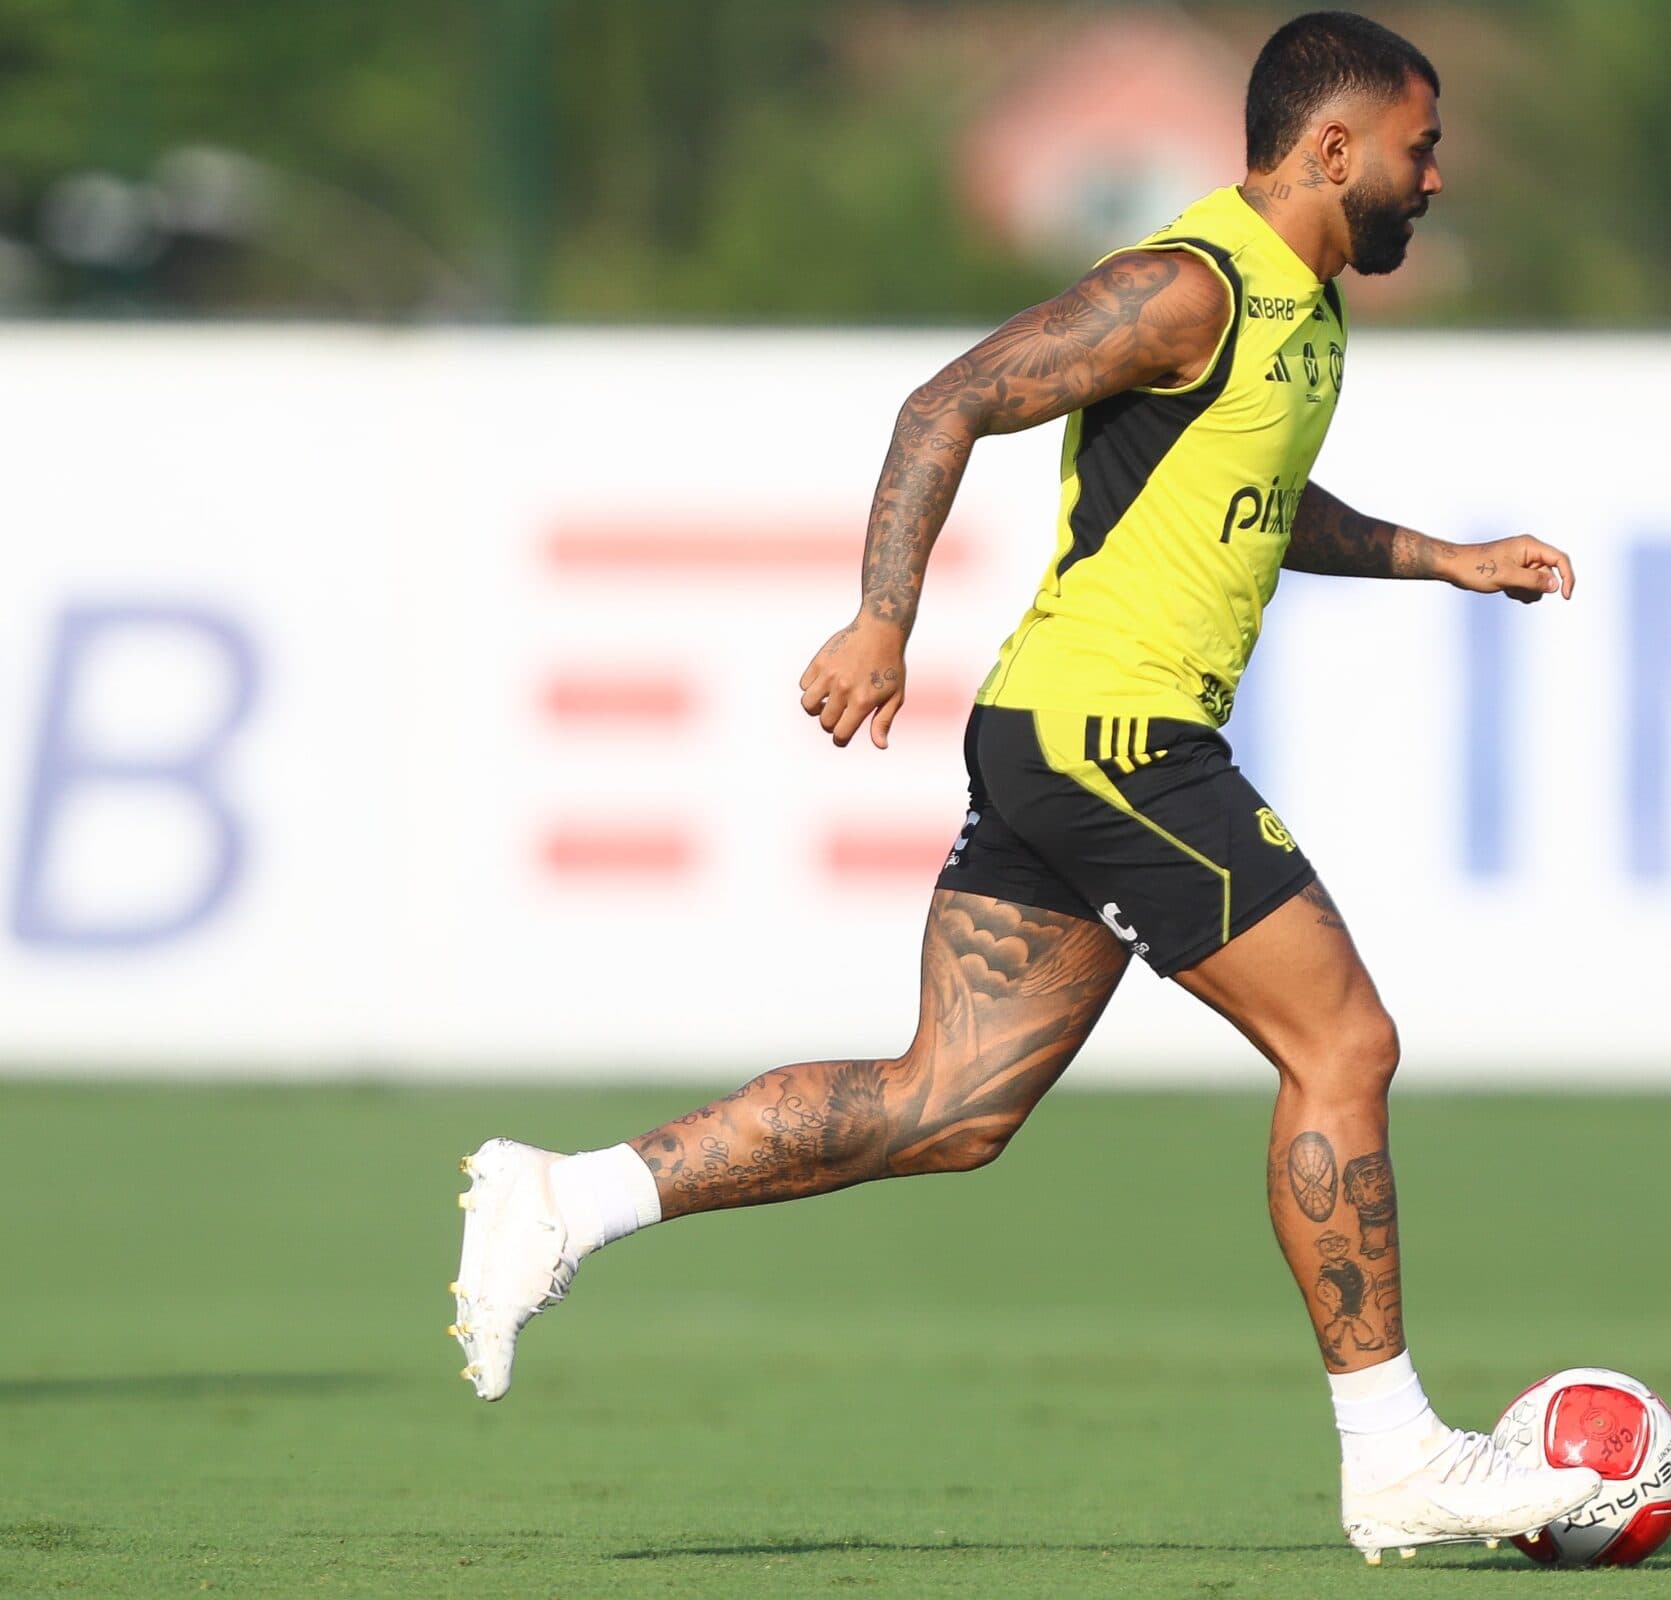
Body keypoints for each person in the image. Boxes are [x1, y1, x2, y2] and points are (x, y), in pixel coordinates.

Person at [450, 10, 1598, 1562]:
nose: (1437, 175)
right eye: (1421, 146)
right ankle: (1393, 1451)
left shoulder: (1307, 314)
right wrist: (882, 618)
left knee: (951, 1105)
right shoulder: (1189, 284)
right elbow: (952, 401)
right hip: (1106, 738)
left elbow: (1255, 496)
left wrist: (1435, 557)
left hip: (1086, 739)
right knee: (1346, 1038)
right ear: (1332, 150)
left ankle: (562, 1199)